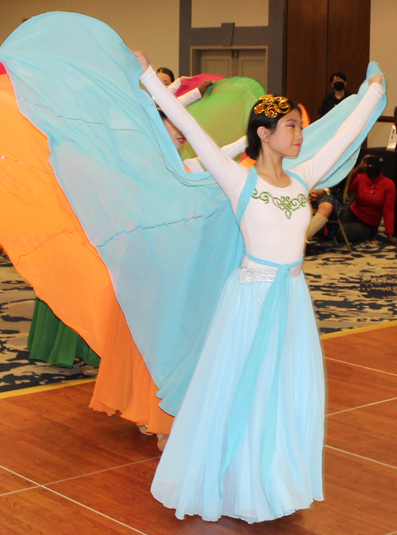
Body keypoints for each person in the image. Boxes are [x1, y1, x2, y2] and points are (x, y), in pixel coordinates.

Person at [133, 49, 384, 522]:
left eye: (300, 126)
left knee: (286, 389)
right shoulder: (237, 180)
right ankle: (235, 483)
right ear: (264, 133)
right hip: (250, 297)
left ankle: (273, 480)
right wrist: (149, 75)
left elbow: (346, 136)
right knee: (239, 387)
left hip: (291, 298)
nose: (300, 133)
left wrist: (372, 94)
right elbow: (192, 130)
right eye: (291, 125)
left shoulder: (302, 177)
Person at [308, 154, 396, 243]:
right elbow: (346, 187)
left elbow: (389, 210)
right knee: (330, 225)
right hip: (351, 213)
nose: (371, 168)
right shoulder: (360, 177)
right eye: (369, 165)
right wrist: (359, 168)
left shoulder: (388, 184)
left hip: (367, 224)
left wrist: (390, 235)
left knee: (339, 233)